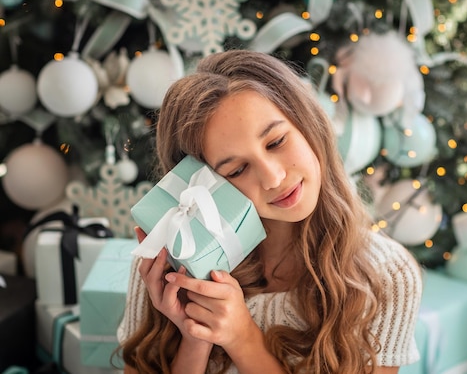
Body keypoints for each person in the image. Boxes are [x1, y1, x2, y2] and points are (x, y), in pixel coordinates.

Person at [118, 49, 423, 374]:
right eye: (236, 170)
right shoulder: (165, 263)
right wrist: (195, 337)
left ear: (308, 124)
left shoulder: (385, 276)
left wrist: (242, 339)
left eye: (276, 142)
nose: (274, 178)